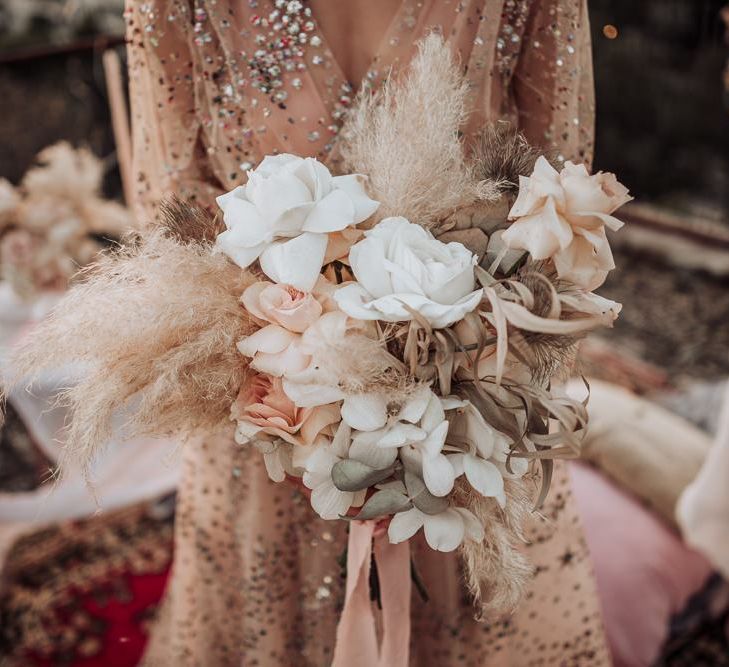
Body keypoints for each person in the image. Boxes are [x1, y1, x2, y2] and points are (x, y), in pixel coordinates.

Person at [125, 1, 609, 664]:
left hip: (459, 430)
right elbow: (173, 223)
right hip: (265, 419)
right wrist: (302, 414)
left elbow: (560, 211)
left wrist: (441, 392)